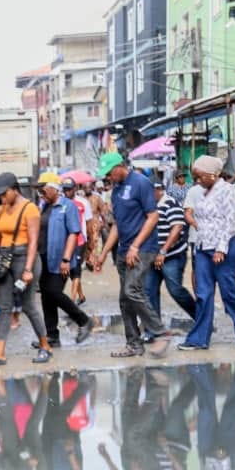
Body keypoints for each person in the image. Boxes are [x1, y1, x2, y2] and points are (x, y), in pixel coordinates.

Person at [93, 152, 171, 358]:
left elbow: (153, 217)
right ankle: (133, 343)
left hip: (143, 248)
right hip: (124, 249)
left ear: (120, 166)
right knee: (125, 299)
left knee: (132, 290)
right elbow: (118, 226)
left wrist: (135, 246)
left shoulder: (140, 183)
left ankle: (160, 332)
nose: (108, 177)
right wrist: (103, 254)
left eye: (109, 173)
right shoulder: (116, 190)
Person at [178, 155, 235, 351]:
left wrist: (221, 248)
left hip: (223, 249)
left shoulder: (227, 191)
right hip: (203, 248)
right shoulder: (204, 191)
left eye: (200, 177)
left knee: (229, 292)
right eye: (195, 177)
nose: (197, 182)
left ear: (213, 174)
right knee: (203, 294)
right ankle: (198, 339)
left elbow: (230, 222)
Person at [0, 172, 52, 367]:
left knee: (28, 305)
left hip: (24, 259)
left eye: (5, 193)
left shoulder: (30, 209)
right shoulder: (3, 207)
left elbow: (33, 242)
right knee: (5, 307)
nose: (2, 197)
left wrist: (28, 269)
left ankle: (45, 346)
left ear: (14, 189)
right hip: (5, 259)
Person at [36, 173, 94, 348]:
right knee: (46, 297)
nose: (41, 193)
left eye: (43, 189)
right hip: (44, 257)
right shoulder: (44, 206)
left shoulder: (68, 206)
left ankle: (83, 320)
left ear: (55, 188)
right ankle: (52, 336)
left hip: (61, 259)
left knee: (54, 292)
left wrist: (66, 259)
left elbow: (73, 233)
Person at [147, 182, 196, 326]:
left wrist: (163, 251)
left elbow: (177, 227)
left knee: (176, 291)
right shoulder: (149, 206)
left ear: (159, 190)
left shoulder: (170, 203)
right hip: (152, 256)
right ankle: (154, 330)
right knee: (149, 291)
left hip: (171, 256)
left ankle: (201, 319)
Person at [61, 178, 90, 304]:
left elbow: (89, 222)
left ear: (75, 189)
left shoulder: (83, 203)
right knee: (72, 270)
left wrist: (91, 242)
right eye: (65, 190)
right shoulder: (61, 203)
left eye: (69, 189)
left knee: (76, 269)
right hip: (65, 241)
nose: (67, 192)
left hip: (79, 240)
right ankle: (81, 296)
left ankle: (72, 300)